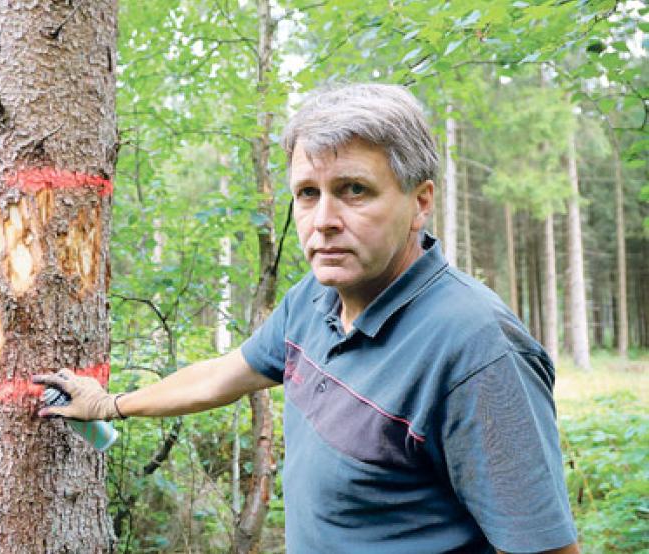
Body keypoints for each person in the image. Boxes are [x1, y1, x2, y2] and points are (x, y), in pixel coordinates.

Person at [34, 83, 579, 554]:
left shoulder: (477, 350)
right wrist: (109, 405)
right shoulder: (314, 300)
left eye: (354, 190)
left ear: (420, 202)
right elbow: (223, 375)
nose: (323, 221)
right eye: (308, 194)